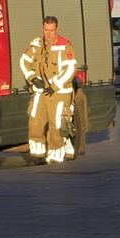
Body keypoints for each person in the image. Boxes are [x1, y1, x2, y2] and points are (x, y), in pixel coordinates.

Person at [19, 16, 77, 164]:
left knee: (57, 125)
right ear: (42, 28)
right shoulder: (36, 44)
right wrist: (32, 78)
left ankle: (56, 155)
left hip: (58, 93)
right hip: (40, 91)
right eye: (46, 30)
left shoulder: (64, 45)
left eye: (51, 30)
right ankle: (38, 154)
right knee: (35, 122)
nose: (49, 33)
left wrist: (55, 85)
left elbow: (70, 68)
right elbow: (24, 61)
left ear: (56, 29)